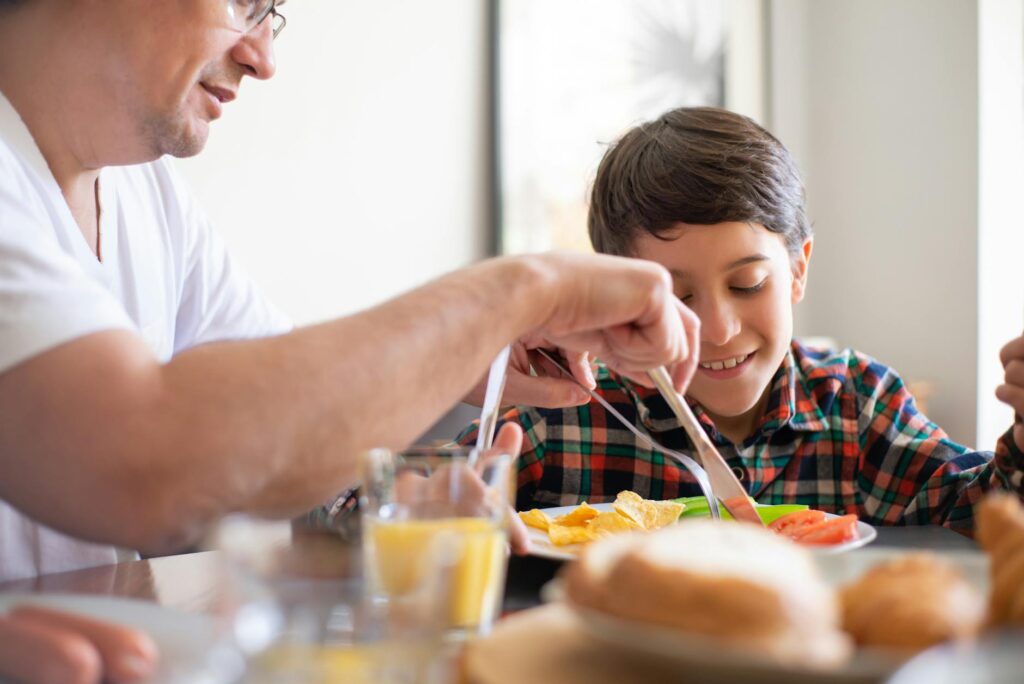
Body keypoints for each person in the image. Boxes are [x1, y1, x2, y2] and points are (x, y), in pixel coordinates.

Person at [0, 0, 701, 589]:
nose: (262, 57)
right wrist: (525, 289)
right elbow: (147, 461)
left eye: (271, 14)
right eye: (243, 2)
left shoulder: (145, 192)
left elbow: (276, 422)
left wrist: (466, 357)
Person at [457, 106, 1024, 536]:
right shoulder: (563, 415)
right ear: (615, 293)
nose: (720, 329)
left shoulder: (857, 406)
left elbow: (981, 517)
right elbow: (383, 516)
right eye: (677, 297)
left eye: (747, 285)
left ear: (798, 270)